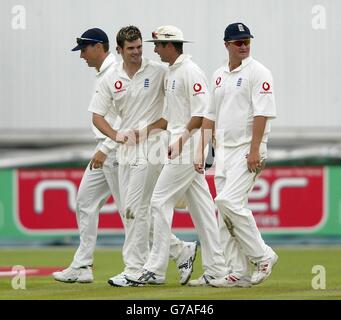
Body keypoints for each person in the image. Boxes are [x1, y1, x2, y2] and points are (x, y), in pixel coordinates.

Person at [88, 26, 197, 287]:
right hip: (125, 150)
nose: (136, 53)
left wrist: (145, 131)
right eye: (131, 49)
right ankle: (180, 250)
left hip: (153, 146)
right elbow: (97, 115)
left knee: (135, 208)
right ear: (119, 50)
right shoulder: (109, 77)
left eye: (139, 47)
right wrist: (115, 136)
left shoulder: (158, 71)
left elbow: (171, 113)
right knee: (133, 212)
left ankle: (135, 268)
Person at [126, 25, 227, 286]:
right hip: (180, 144)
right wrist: (146, 131)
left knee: (159, 201)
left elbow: (203, 114)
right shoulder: (173, 72)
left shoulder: (190, 71)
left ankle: (156, 269)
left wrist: (186, 143)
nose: (155, 50)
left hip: (188, 147)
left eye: (157, 45)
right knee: (202, 208)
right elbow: (172, 117)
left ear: (170, 46)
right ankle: (216, 270)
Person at [194, 22, 278, 287]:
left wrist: (254, 150)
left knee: (228, 202)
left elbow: (263, 113)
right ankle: (238, 271)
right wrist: (202, 151)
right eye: (238, 42)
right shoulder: (218, 74)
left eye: (247, 41)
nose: (243, 46)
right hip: (223, 152)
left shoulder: (259, 72)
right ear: (227, 45)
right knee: (225, 212)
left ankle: (263, 255)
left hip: (247, 149)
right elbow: (209, 116)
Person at [53, 28, 122, 283]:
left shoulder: (116, 73)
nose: (82, 56)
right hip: (104, 151)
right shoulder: (105, 73)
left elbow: (127, 117)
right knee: (85, 201)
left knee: (131, 212)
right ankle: (82, 265)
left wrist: (106, 148)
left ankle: (179, 251)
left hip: (116, 152)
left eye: (84, 50)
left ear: (98, 47)